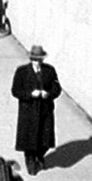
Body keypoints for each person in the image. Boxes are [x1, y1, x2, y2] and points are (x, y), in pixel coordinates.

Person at [12, 45, 62, 173]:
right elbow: (15, 90)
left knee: (45, 139)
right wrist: (30, 94)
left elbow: (57, 89)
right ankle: (31, 162)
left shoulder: (49, 71)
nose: (37, 62)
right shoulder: (22, 72)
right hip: (29, 110)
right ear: (31, 59)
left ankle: (39, 156)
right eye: (34, 59)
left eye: (39, 60)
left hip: (45, 109)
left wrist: (48, 94)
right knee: (29, 140)